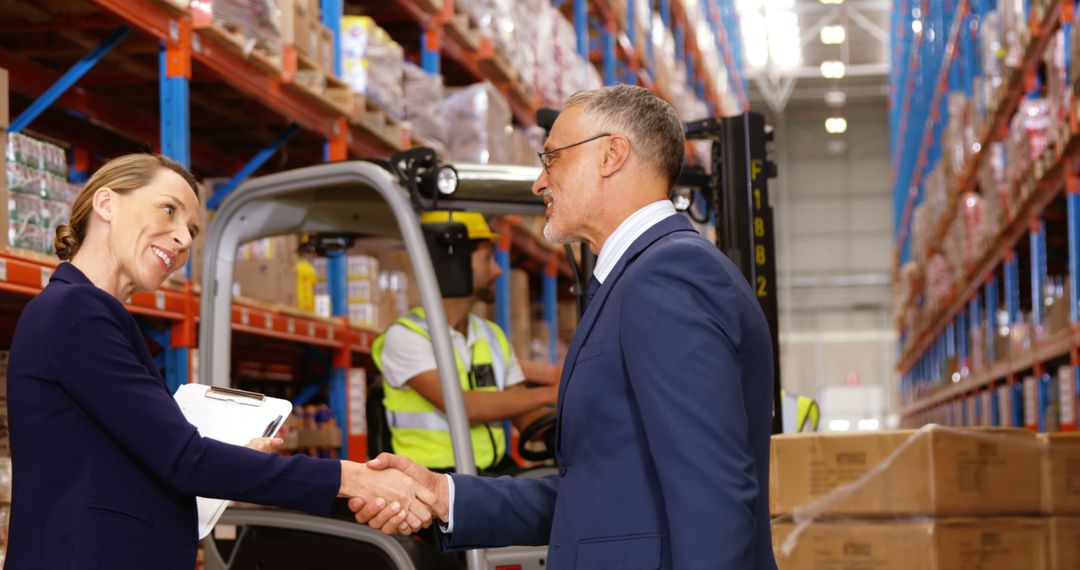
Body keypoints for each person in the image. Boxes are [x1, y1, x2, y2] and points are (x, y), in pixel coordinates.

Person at [351, 85, 778, 568]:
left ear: (611, 155)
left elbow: (712, 492)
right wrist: (446, 496)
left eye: (552, 158)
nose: (539, 182)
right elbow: (599, 497)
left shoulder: (667, 276)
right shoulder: (636, 279)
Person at [5, 154, 443, 569]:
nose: (182, 239)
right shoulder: (77, 312)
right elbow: (183, 460)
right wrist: (353, 479)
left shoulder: (87, 314)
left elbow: (127, 463)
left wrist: (234, 462)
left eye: (192, 230)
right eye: (168, 210)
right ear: (106, 203)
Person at [372, 210, 557, 474]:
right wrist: (554, 391)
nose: (497, 270)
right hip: (431, 480)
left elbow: (526, 416)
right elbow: (464, 408)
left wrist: (572, 422)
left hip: (491, 473)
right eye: (487, 258)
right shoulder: (406, 337)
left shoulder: (491, 335)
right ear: (453, 263)